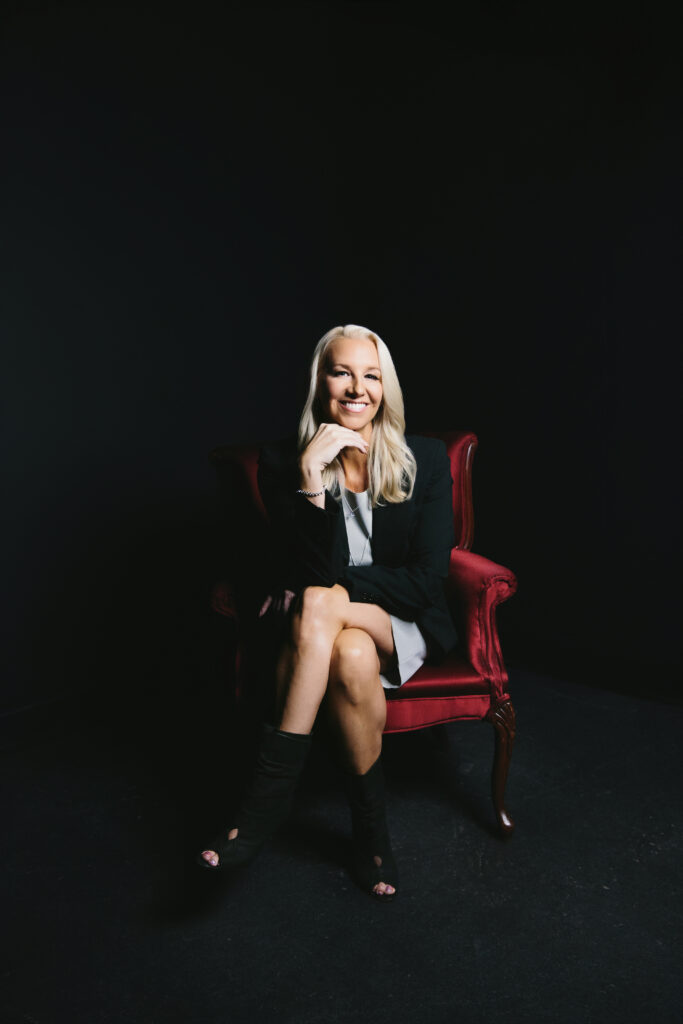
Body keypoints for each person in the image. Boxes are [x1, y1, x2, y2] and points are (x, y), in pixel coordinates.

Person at [197, 324, 458, 900]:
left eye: (371, 376)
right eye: (342, 372)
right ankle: (372, 836)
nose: (356, 388)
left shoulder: (427, 460)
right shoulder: (283, 462)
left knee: (320, 601)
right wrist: (312, 481)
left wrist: (336, 590)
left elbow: (425, 582)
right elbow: (305, 573)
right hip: (340, 635)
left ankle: (263, 802)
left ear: (385, 388)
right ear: (320, 382)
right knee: (348, 649)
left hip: (405, 624)